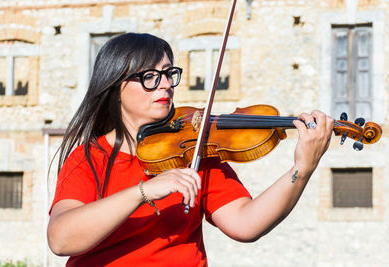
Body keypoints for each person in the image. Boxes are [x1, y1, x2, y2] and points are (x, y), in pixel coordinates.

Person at [47, 32, 334, 266]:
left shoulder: (194, 150)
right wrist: (143, 191)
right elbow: (61, 240)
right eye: (150, 77)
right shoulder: (88, 157)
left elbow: (246, 224)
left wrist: (302, 169)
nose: (165, 85)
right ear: (115, 85)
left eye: (169, 74)